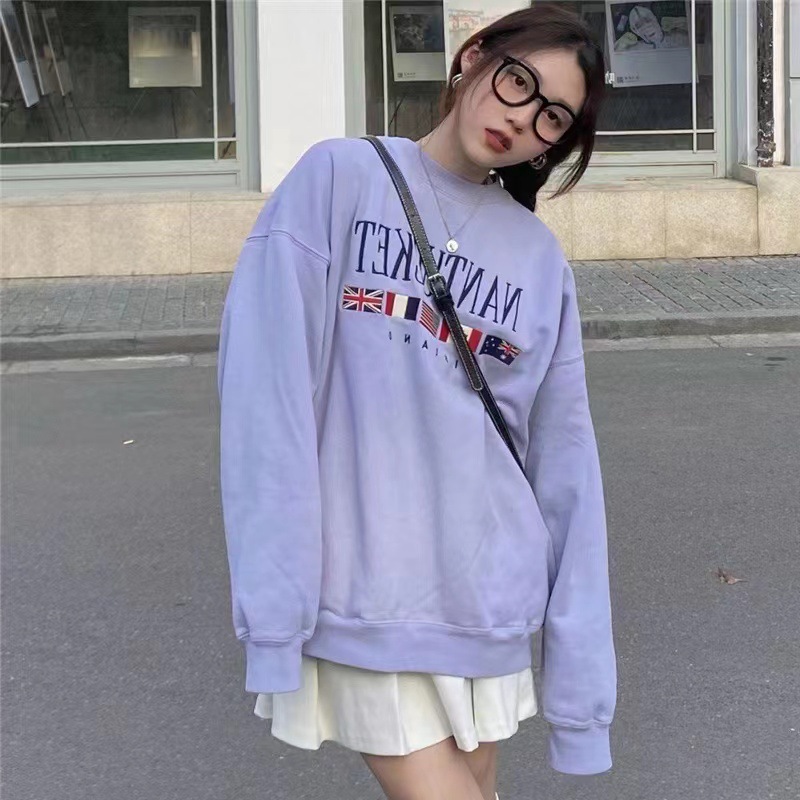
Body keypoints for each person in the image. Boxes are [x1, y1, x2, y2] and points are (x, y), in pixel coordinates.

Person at [217, 4, 617, 798]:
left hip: (489, 605)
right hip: (363, 594)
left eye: (552, 117)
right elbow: (267, 406)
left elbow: (566, 468)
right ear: (474, 58)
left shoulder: (537, 258)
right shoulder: (339, 179)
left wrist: (582, 697)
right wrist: (275, 608)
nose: (522, 118)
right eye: (518, 82)